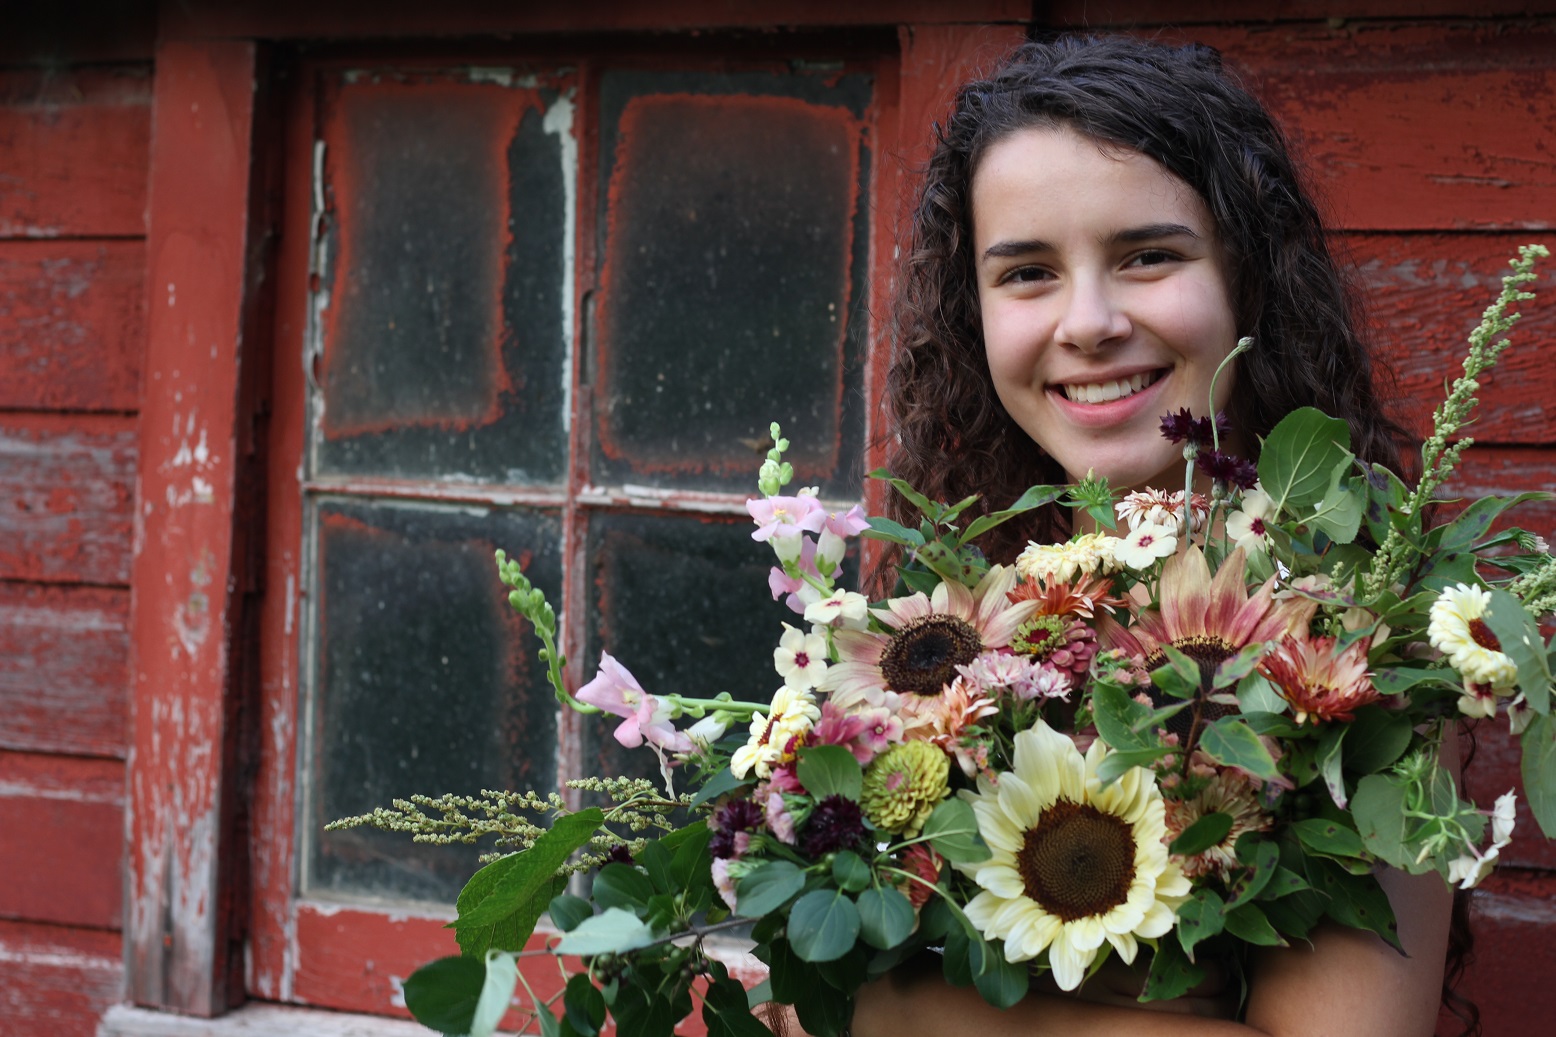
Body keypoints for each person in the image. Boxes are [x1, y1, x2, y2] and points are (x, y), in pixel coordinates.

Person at [840, 33, 1468, 1037]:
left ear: (1245, 278)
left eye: (1146, 256)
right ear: (971, 311)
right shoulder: (946, 612)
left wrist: (904, 1006)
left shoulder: (1357, 636)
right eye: (1026, 272)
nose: (1085, 322)